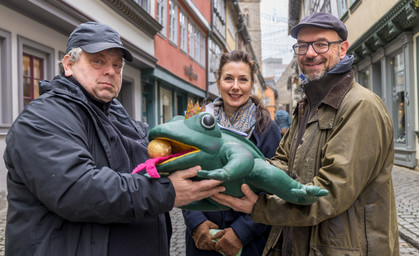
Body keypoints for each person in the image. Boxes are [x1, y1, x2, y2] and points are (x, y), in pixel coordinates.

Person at [3, 21, 225, 256]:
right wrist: (167, 191)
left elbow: (148, 169)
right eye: (97, 61)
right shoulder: (43, 117)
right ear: (69, 64)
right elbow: (79, 190)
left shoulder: (116, 114)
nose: (110, 71)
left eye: (117, 65)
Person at [211, 12, 399, 255]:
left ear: (342, 49)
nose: (310, 53)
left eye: (321, 44)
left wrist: (259, 206)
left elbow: (329, 193)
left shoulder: (361, 106)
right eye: (302, 46)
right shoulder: (308, 105)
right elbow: (281, 163)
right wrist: (244, 170)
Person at [182, 50, 281, 256]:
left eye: (243, 79)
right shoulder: (197, 122)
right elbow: (183, 174)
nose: (235, 86)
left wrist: (241, 232)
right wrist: (197, 223)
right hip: (204, 241)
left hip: (249, 243)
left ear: (252, 84)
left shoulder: (266, 129)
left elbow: (272, 189)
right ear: (218, 82)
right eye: (228, 79)